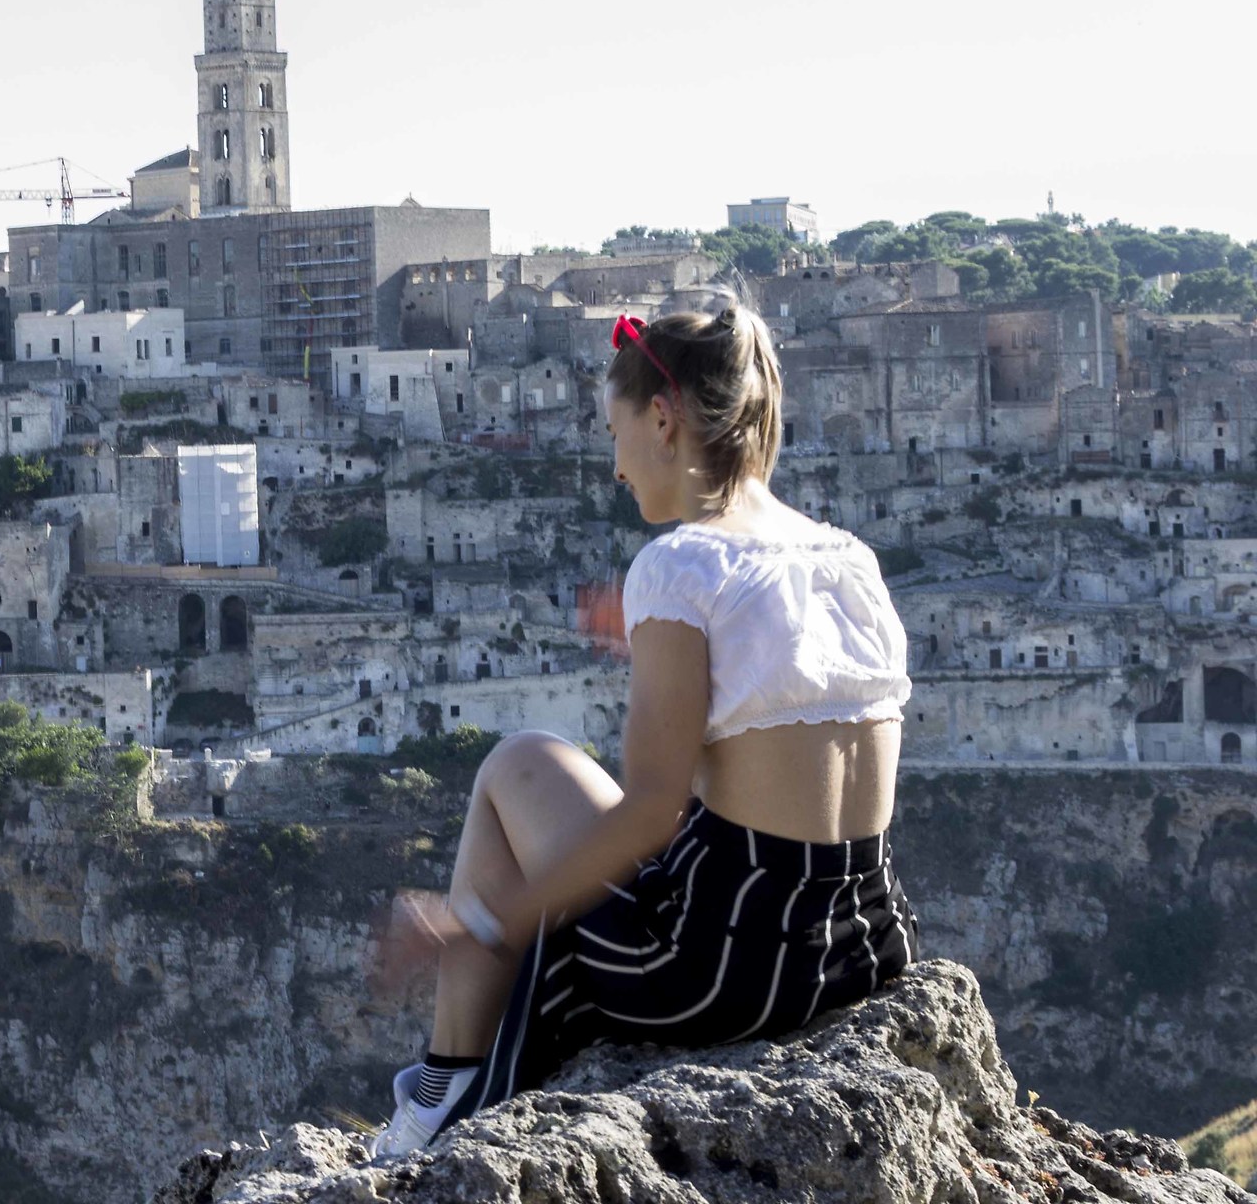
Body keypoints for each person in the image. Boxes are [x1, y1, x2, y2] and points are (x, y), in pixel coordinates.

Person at [367, 302, 917, 1160]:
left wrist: (477, 920)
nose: (614, 464)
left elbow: (656, 810)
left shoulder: (682, 564)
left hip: (725, 964)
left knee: (517, 765)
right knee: (546, 780)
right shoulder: (846, 559)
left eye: (614, 430)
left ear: (662, 420)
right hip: (861, 940)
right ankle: (446, 1081)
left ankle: (438, 1099)